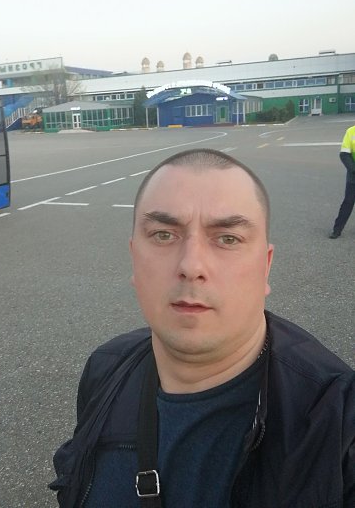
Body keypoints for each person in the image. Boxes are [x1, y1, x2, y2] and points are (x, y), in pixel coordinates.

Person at [50, 149, 354, 508]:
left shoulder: (338, 423)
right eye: (164, 235)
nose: (191, 265)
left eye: (228, 238)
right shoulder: (105, 370)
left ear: (266, 266)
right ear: (134, 258)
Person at [330, 124, 355, 238]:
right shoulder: (351, 132)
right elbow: (344, 154)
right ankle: (337, 230)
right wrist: (353, 170)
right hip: (353, 176)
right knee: (348, 203)